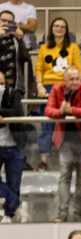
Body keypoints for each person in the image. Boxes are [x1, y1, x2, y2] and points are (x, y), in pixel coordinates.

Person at [45, 66, 81, 223]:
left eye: (77, 79)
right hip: (65, 141)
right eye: (71, 79)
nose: (75, 82)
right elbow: (48, 111)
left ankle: (77, 212)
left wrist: (71, 110)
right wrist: (61, 111)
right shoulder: (56, 89)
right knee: (64, 176)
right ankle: (62, 213)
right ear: (65, 80)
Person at [36, 17, 81, 170]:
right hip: (48, 86)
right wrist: (39, 86)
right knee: (47, 124)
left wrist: (74, 87)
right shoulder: (44, 48)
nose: (59, 29)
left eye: (62, 26)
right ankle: (44, 160)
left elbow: (78, 69)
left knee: (69, 124)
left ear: (66, 30)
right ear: (51, 29)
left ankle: (73, 160)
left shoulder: (74, 47)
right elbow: (39, 69)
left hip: (67, 86)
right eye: (56, 26)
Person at [0, 69, 30, 223]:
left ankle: (9, 213)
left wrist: (2, 115)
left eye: (2, 83)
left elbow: (17, 112)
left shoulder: (13, 94)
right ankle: (18, 203)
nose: (1, 86)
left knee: (14, 181)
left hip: (13, 144)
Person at [0, 10, 31, 94]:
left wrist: (20, 40)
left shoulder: (15, 40)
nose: (6, 23)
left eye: (9, 22)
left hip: (13, 86)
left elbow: (26, 58)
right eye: (3, 20)